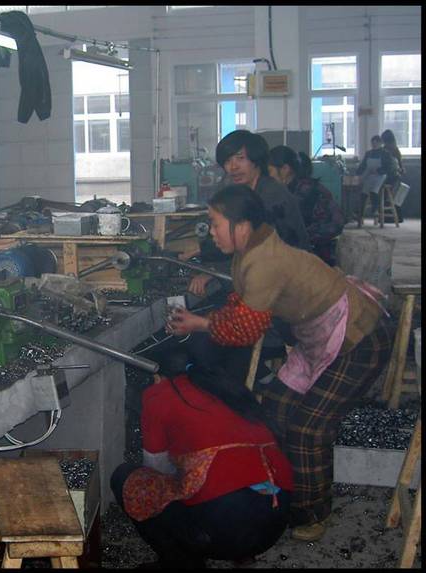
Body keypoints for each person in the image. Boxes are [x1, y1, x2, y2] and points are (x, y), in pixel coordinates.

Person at [166, 185, 394, 542]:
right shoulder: (249, 252)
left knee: (308, 429)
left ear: (242, 226)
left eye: (215, 224)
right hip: (321, 336)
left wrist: (201, 323)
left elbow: (245, 328)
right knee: (274, 408)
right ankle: (282, 491)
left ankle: (312, 514)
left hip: (359, 338)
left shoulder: (264, 262)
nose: (211, 232)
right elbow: (240, 305)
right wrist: (207, 314)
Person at [110, 350, 293, 568]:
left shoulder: (159, 394)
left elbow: (156, 467)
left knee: (126, 479)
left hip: (224, 531)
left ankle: (181, 563)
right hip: (275, 523)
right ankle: (242, 552)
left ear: (157, 376)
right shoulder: (227, 386)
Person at [184, 130, 309, 299]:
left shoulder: (272, 196)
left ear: (256, 160)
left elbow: (263, 250)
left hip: (289, 284)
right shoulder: (242, 192)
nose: (233, 167)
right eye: (227, 161)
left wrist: (216, 271)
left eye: (240, 158)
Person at [268, 146, 345, 266]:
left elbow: (336, 222)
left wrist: (304, 237)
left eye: (269, 171)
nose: (268, 177)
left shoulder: (304, 192)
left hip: (316, 257)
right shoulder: (289, 190)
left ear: (285, 169)